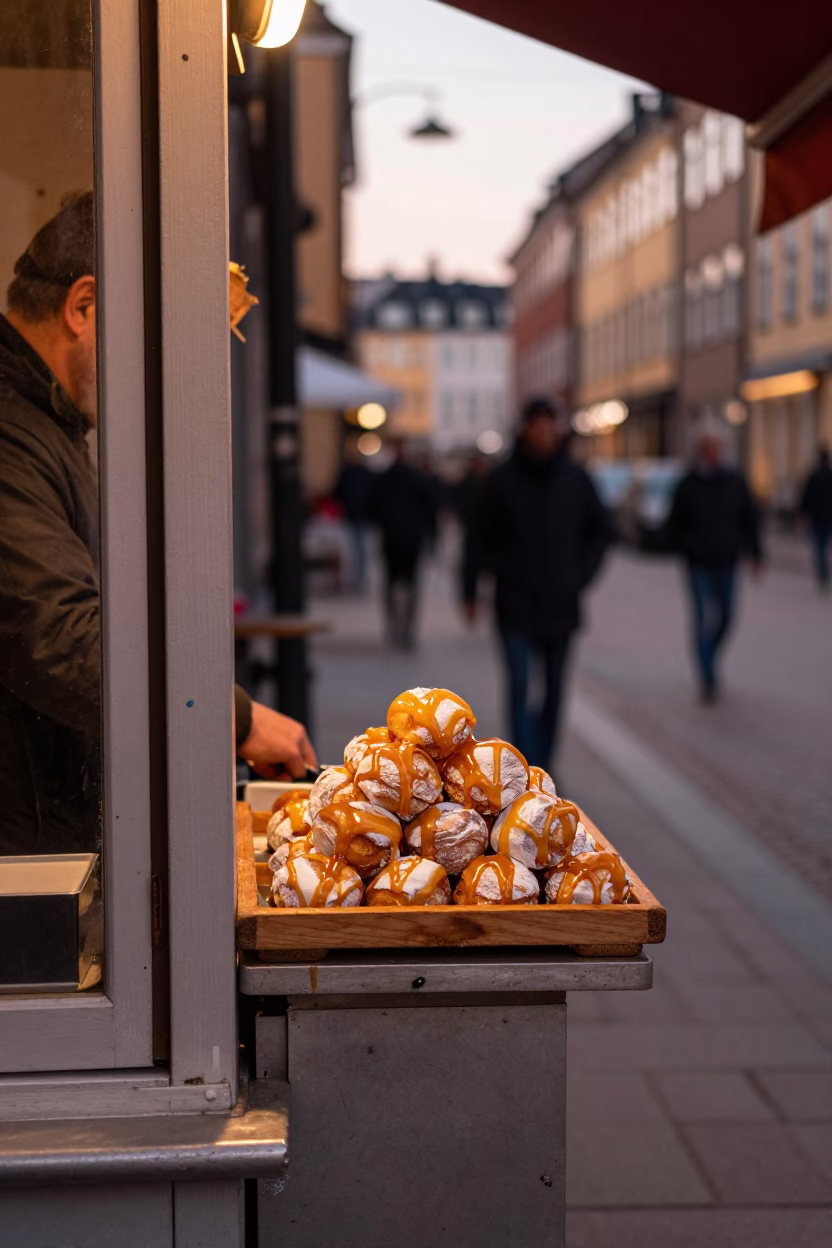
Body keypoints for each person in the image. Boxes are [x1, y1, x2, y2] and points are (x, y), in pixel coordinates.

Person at [0, 193, 315, 855]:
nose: (151, 368)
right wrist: (236, 719)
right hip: (26, 846)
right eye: (147, 337)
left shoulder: (47, 421)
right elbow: (56, 637)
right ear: (84, 307)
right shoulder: (11, 429)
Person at [463, 398, 612, 773]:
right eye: (538, 424)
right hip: (515, 602)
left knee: (554, 690)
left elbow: (600, 533)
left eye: (551, 425)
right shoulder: (502, 479)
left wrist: (579, 576)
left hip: (561, 603)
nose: (545, 432)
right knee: (519, 684)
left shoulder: (575, 478)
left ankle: (545, 761)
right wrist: (471, 589)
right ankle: (523, 766)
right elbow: (477, 538)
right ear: (525, 429)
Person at [666, 426, 762, 703]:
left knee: (727, 616)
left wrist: (756, 554)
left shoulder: (734, 482)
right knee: (703, 618)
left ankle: (709, 654)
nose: (712, 453)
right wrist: (686, 546)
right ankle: (707, 675)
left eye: (716, 448)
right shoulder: (688, 484)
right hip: (699, 563)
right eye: (708, 448)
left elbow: (749, 518)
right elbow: (675, 523)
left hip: (727, 561)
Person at [371, 440, 438, 649]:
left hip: (392, 537)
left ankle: (393, 623)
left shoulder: (385, 478)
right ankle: (408, 626)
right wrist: (432, 536)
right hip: (412, 538)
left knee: (391, 582)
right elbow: (431, 508)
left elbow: (373, 505)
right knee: (411, 582)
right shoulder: (418, 478)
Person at [334, 444, 375, 592]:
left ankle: (358, 578)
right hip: (356, 514)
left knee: (358, 547)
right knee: (358, 548)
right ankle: (357, 578)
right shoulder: (359, 474)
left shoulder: (352, 473)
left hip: (357, 514)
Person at [798, 447, 832, 590]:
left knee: (819, 547)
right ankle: (825, 573)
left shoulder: (814, 476)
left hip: (817, 518)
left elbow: (806, 497)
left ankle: (823, 574)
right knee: (824, 545)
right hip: (828, 517)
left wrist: (802, 514)